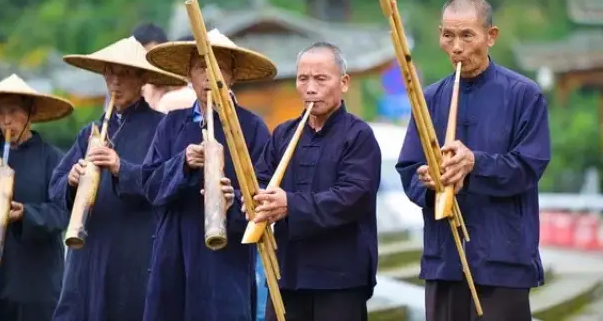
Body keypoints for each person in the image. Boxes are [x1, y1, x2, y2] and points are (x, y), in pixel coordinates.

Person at [396, 0, 551, 321]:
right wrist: (428, 179)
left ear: (491, 36)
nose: (456, 46)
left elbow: (529, 166)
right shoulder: (429, 99)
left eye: (467, 35)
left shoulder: (524, 95)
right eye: (448, 35)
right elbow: (409, 169)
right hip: (444, 260)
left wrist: (474, 164)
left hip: (503, 261)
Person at [141, 28, 276, 321]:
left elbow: (265, 197)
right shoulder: (171, 125)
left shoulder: (252, 129)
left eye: (219, 68)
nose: (209, 75)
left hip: (226, 260)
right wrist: (183, 163)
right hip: (173, 253)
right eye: (201, 67)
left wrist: (234, 199)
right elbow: (150, 186)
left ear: (232, 77)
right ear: (189, 75)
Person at [50, 36, 186, 321]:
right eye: (109, 73)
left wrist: (119, 166)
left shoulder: (161, 127)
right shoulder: (92, 131)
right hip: (87, 251)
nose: (115, 82)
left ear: (142, 79)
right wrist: (72, 180)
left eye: (124, 74)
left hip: (133, 251)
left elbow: (164, 183)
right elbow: (56, 186)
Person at [249, 42, 382, 321]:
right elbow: (262, 181)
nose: (310, 88)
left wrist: (290, 204)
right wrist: (248, 197)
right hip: (287, 273)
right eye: (303, 79)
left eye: (321, 78)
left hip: (340, 278)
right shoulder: (283, 134)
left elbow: (353, 197)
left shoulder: (358, 136)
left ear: (344, 83)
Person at [0, 74, 74, 321]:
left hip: (36, 281)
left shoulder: (55, 161)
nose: (6, 120)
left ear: (31, 112)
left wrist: (26, 213)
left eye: (13, 111)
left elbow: (62, 213)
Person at [132, 22, 196, 112]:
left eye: (154, 57)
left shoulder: (184, 93)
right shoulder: (131, 93)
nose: (149, 64)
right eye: (143, 58)